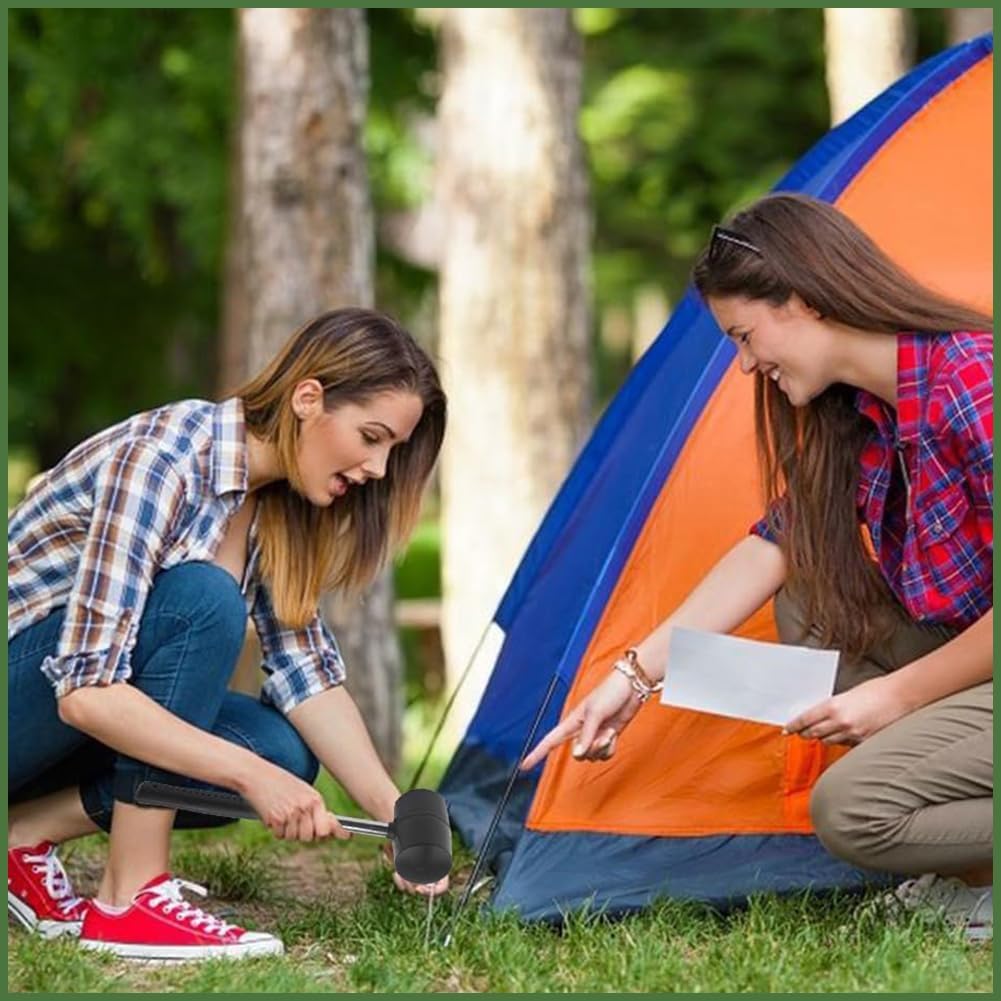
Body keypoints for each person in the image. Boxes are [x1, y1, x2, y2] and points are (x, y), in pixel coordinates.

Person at [522, 193, 993, 943]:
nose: (746, 364)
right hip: (970, 661)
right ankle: (971, 881)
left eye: (744, 336)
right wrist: (631, 677)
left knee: (849, 811)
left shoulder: (973, 379)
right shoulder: (861, 413)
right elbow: (769, 546)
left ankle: (963, 870)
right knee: (808, 588)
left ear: (803, 301)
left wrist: (893, 698)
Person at [8, 307, 449, 961]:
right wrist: (248, 778)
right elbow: (85, 692)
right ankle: (131, 896)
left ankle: (22, 835)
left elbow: (306, 679)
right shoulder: (163, 461)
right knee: (202, 603)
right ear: (308, 398)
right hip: (35, 696)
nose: (379, 469)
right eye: (371, 436)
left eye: (393, 451)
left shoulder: (273, 506)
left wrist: (395, 814)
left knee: (280, 750)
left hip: (53, 725)